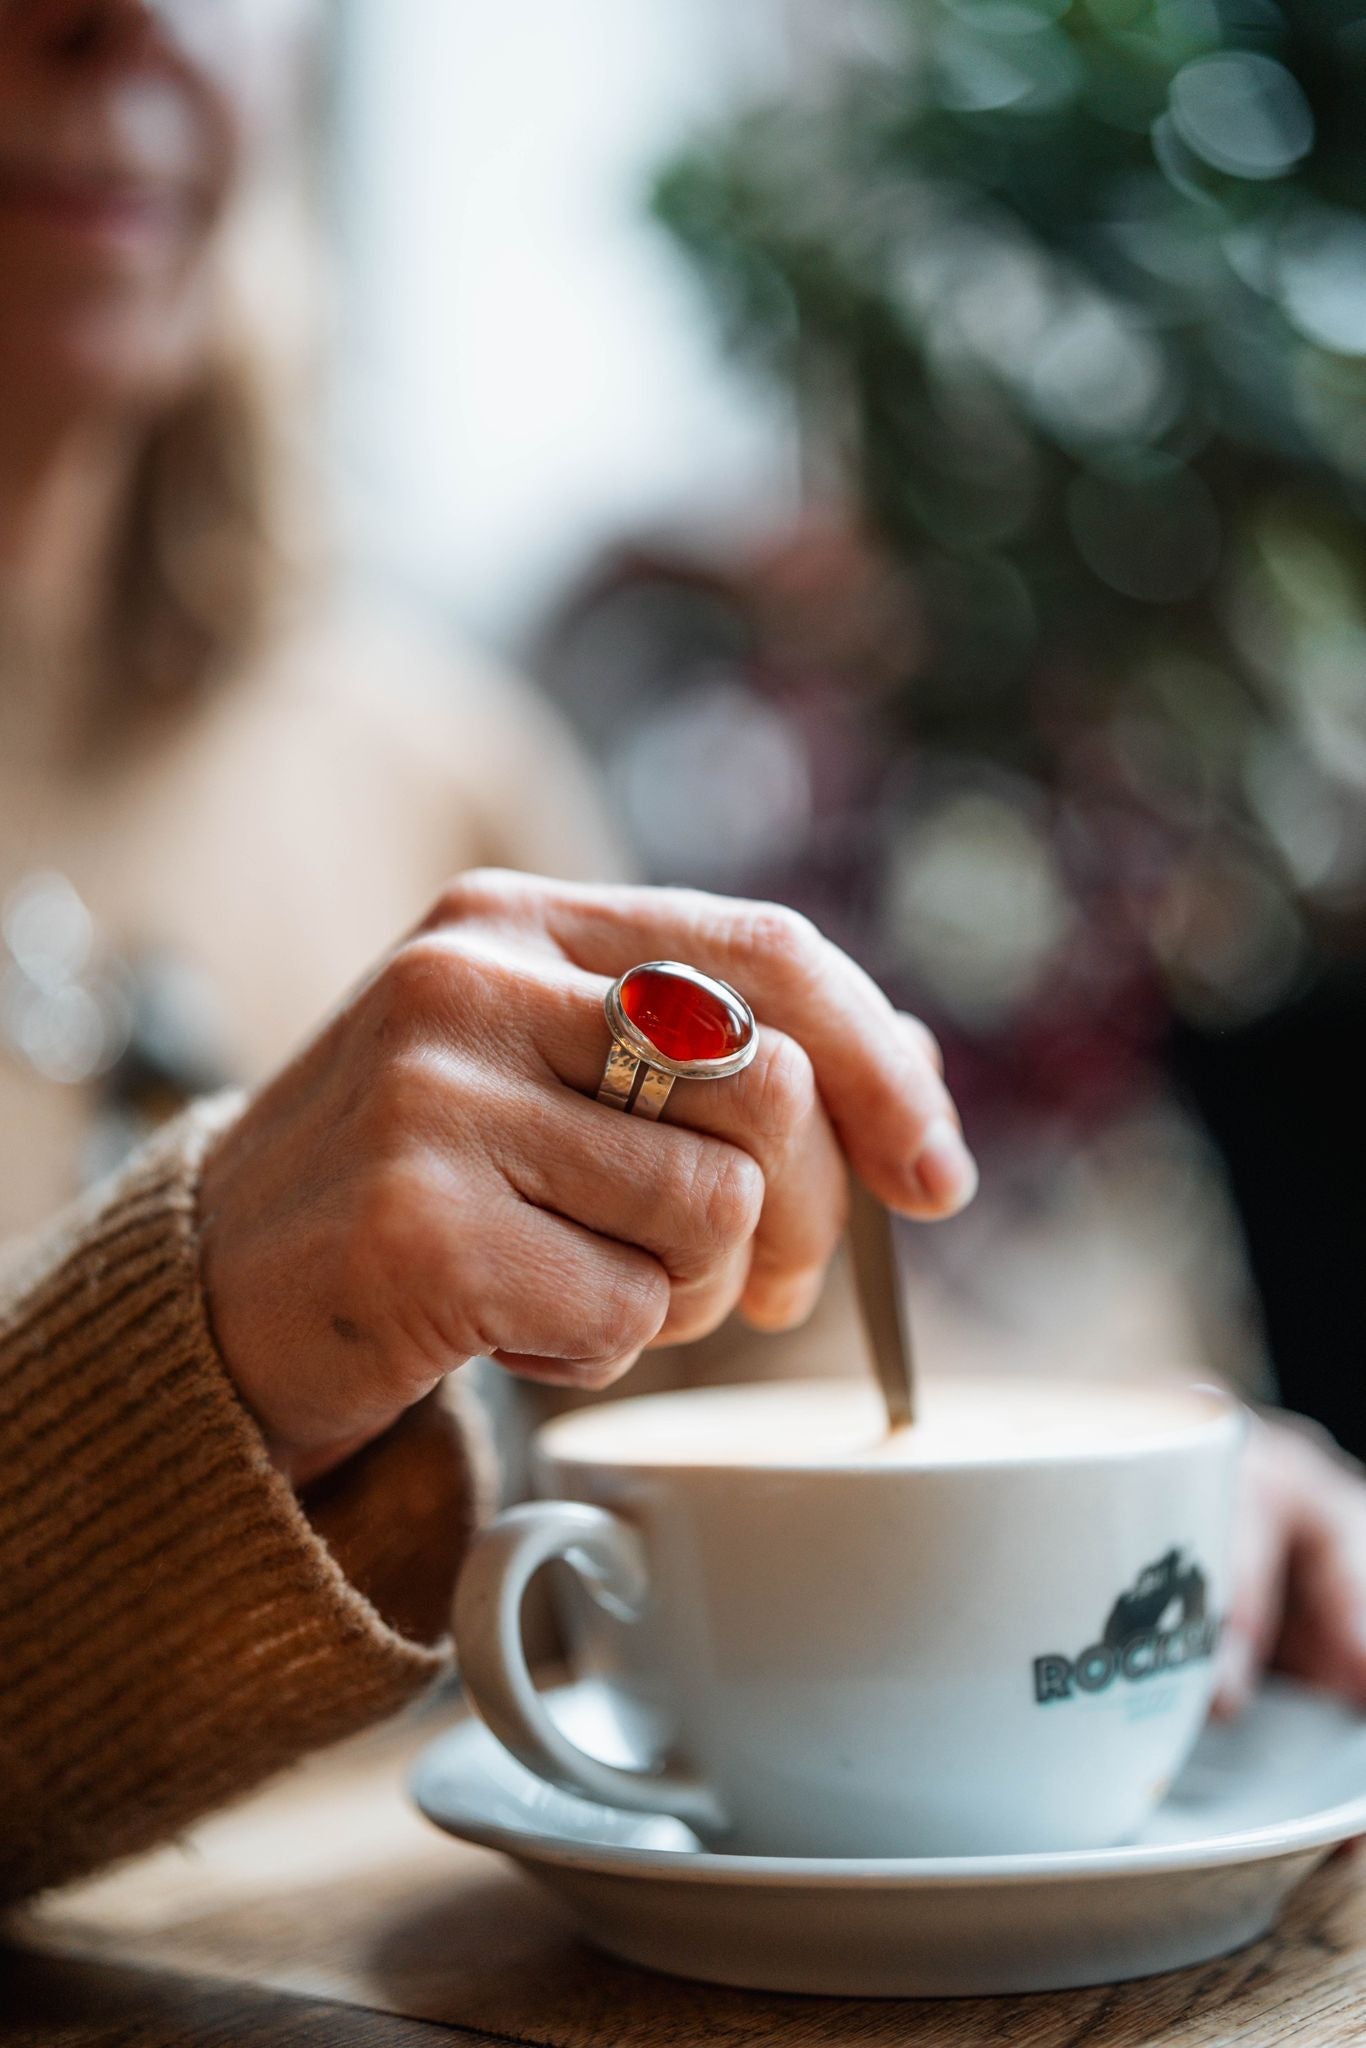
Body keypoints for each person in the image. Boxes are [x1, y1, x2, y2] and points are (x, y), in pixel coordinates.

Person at [1, 0, 1363, 1909]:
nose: (127, 20)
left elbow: (758, 1373)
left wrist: (1147, 1501)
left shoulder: (432, 762)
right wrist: (197, 1344)